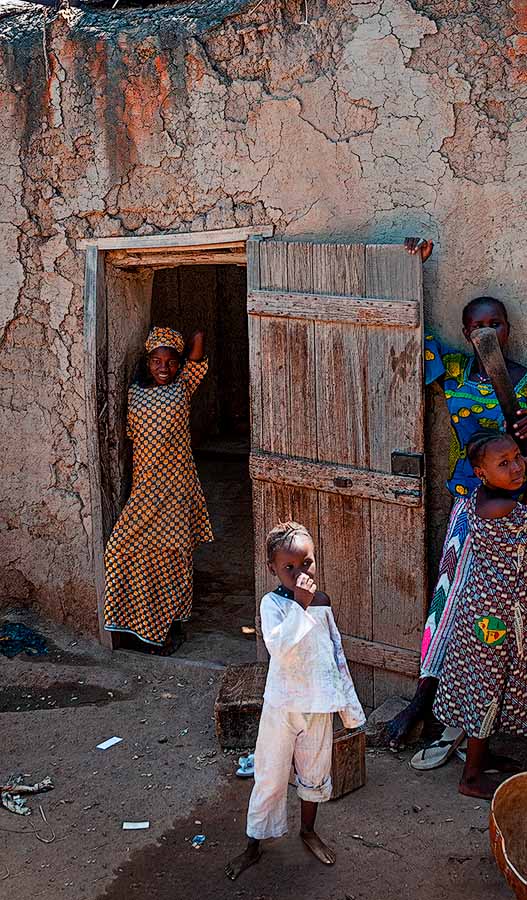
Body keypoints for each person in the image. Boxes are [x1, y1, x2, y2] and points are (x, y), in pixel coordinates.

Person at [387, 237, 527, 755]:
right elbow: (400, 330)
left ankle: (518, 712)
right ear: (468, 332)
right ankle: (429, 697)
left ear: (508, 329)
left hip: (523, 510)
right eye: (478, 326)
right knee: (453, 605)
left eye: (496, 324)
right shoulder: (455, 370)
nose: (488, 331)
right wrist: (406, 266)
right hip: (471, 509)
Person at [226, 522, 365, 881]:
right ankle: (255, 843)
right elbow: (278, 646)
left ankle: (308, 830)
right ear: (272, 568)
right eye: (288, 568)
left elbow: (334, 653)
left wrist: (346, 703)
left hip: (317, 705)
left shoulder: (323, 603)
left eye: (306, 564)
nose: (299, 573)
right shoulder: (272, 604)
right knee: (270, 774)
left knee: (315, 773)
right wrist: (300, 607)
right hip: (282, 706)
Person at [433, 432, 527, 799]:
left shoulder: (486, 497)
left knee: (493, 683)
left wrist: (526, 477)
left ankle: (483, 755)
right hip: (494, 615)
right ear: (481, 473)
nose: (516, 466)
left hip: (490, 608)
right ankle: (471, 777)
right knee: (487, 689)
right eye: (503, 463)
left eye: (518, 458)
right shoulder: (500, 508)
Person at [102, 326, 213, 655]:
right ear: (146, 363)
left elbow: (197, 343)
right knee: (119, 551)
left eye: (170, 361)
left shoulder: (183, 385)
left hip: (176, 488)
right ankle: (139, 626)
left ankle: (169, 628)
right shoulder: (135, 392)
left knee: (173, 558)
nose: (164, 368)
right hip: (145, 489)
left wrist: (186, 339)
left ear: (179, 365)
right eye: (156, 361)